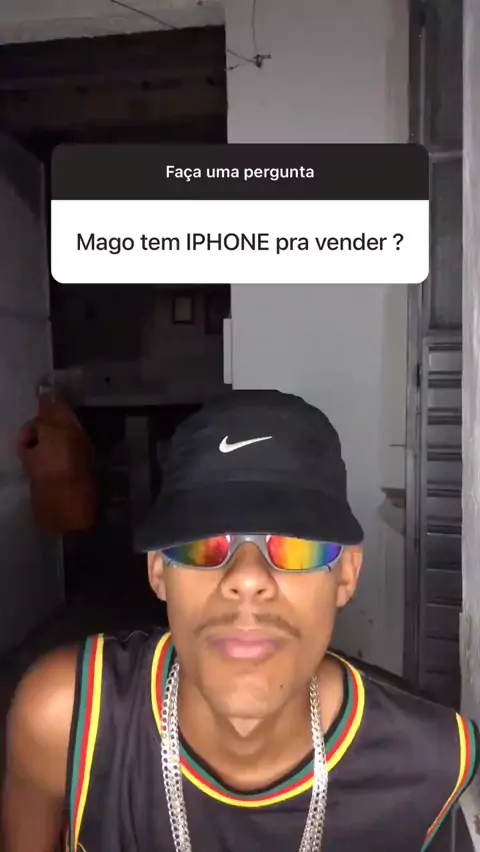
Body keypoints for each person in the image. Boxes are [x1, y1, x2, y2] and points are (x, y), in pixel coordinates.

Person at [2, 390, 478, 852]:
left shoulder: (433, 760)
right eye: (203, 544)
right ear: (159, 571)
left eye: (295, 545)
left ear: (346, 575)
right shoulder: (68, 719)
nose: (247, 578)